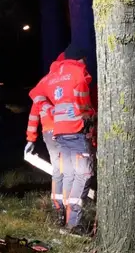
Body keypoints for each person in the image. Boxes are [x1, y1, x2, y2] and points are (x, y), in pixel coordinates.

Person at [28, 44, 95, 235]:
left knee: (69, 174)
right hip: (76, 128)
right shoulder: (78, 71)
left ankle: (67, 220)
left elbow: (34, 94)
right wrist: (88, 112)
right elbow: (82, 95)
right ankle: (74, 224)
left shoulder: (54, 74)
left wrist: (50, 110)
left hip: (60, 131)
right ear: (81, 58)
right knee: (83, 174)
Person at [25, 52, 66, 225]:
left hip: (49, 130)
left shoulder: (44, 82)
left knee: (58, 169)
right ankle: (70, 210)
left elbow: (34, 114)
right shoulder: (73, 79)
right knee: (72, 170)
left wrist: (31, 138)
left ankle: (58, 208)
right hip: (70, 129)